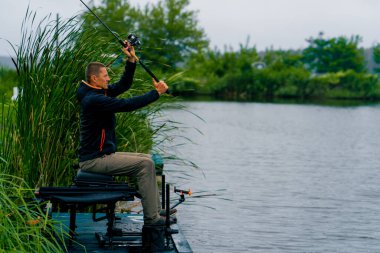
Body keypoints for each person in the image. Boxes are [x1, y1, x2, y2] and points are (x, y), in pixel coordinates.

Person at [77, 41, 173, 225]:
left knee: (148, 159)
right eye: (105, 76)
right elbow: (127, 105)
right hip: (94, 160)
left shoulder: (99, 92)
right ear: (94, 79)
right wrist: (156, 93)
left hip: (103, 154)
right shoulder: (93, 100)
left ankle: (155, 208)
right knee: (144, 165)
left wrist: (131, 60)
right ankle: (152, 219)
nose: (108, 79)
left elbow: (123, 85)